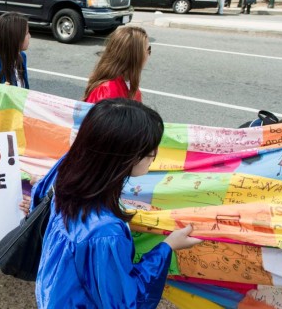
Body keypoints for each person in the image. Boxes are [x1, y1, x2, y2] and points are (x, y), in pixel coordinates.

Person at [32, 98, 202, 308]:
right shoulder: (105, 233)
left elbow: (37, 196)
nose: (154, 155)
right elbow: (124, 301)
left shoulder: (65, 171)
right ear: (123, 156)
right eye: (148, 150)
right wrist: (167, 247)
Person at [83, 26, 150, 103]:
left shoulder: (128, 81)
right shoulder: (106, 92)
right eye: (148, 49)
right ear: (135, 56)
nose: (148, 54)